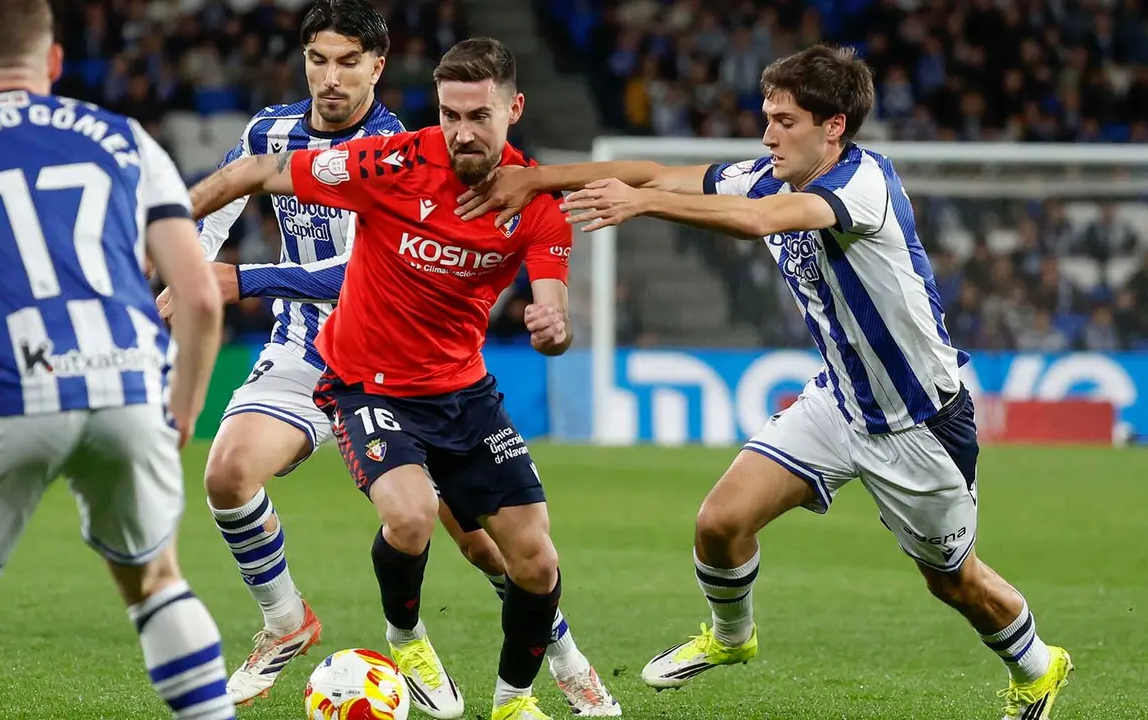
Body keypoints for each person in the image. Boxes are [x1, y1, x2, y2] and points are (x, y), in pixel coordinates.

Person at [456, 44, 1073, 720]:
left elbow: (755, 222)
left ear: (832, 126)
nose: (767, 134)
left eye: (783, 121)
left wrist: (640, 206)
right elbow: (660, 171)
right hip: (839, 403)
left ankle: (1037, 668)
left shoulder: (860, 186)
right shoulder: (769, 173)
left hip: (918, 425)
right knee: (719, 523)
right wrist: (539, 179)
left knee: (954, 583)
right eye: (767, 117)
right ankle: (730, 638)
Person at [168, 1, 616, 713]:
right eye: (319, 59)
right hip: (306, 350)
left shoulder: (404, 147)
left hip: (403, 355)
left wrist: (245, 280)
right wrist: (179, 263)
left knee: (483, 546)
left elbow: (356, 271)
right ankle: (285, 624)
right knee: (226, 475)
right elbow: (219, 212)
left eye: (349, 62)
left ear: (378, 67)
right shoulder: (269, 132)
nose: (331, 77)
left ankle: (562, 657)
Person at [0, 1, 232, 719]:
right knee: (156, 577)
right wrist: (182, 407)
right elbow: (198, 295)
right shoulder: (127, 139)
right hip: (130, 379)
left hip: (11, 383)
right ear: (56, 63)